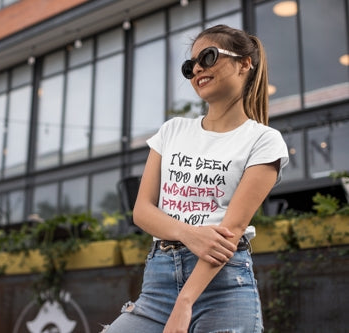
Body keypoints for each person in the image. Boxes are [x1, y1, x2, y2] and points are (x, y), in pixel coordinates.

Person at [102, 24, 289, 333]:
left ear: (245, 63)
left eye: (209, 57)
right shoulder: (172, 130)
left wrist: (185, 302)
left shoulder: (264, 141)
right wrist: (189, 234)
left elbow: (232, 229)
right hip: (158, 285)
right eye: (190, 66)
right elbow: (143, 212)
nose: (198, 68)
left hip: (223, 286)